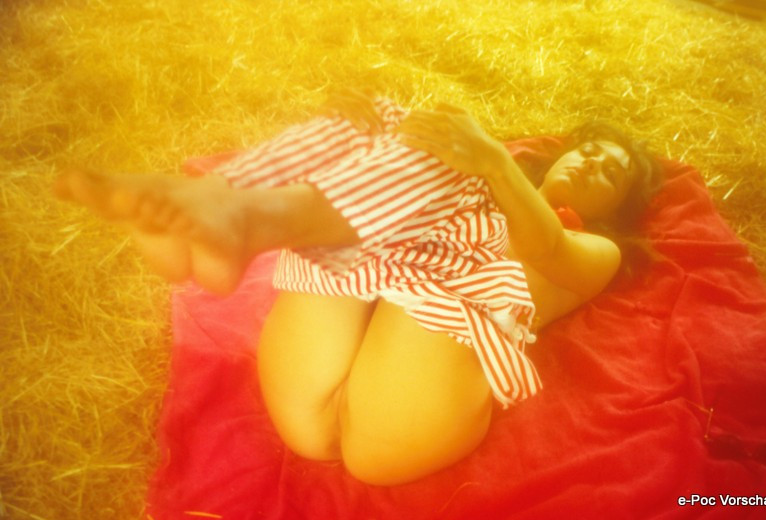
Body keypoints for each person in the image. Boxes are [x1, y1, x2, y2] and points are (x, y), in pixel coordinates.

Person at [54, 88, 662, 486]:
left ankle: (240, 215)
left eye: (611, 172)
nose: (591, 163)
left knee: (447, 161)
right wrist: (361, 137)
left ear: (618, 208)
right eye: (588, 151)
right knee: (388, 119)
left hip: (411, 420)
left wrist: (492, 164)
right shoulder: (488, 182)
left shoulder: (597, 249)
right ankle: (222, 202)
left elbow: (546, 249)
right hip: (313, 401)